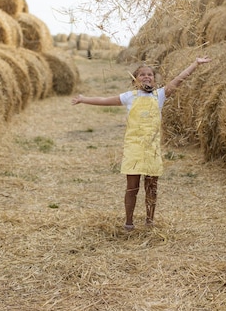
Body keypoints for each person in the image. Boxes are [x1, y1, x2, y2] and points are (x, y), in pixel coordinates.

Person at [71, 56, 211, 231]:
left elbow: (179, 79)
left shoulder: (159, 95)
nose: (147, 77)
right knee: (132, 187)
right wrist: (84, 99)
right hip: (134, 148)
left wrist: (195, 64)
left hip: (151, 148)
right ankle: (129, 222)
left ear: (154, 79)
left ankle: (149, 221)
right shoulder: (129, 97)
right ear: (134, 80)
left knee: (152, 186)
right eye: (142, 74)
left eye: (150, 74)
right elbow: (105, 100)